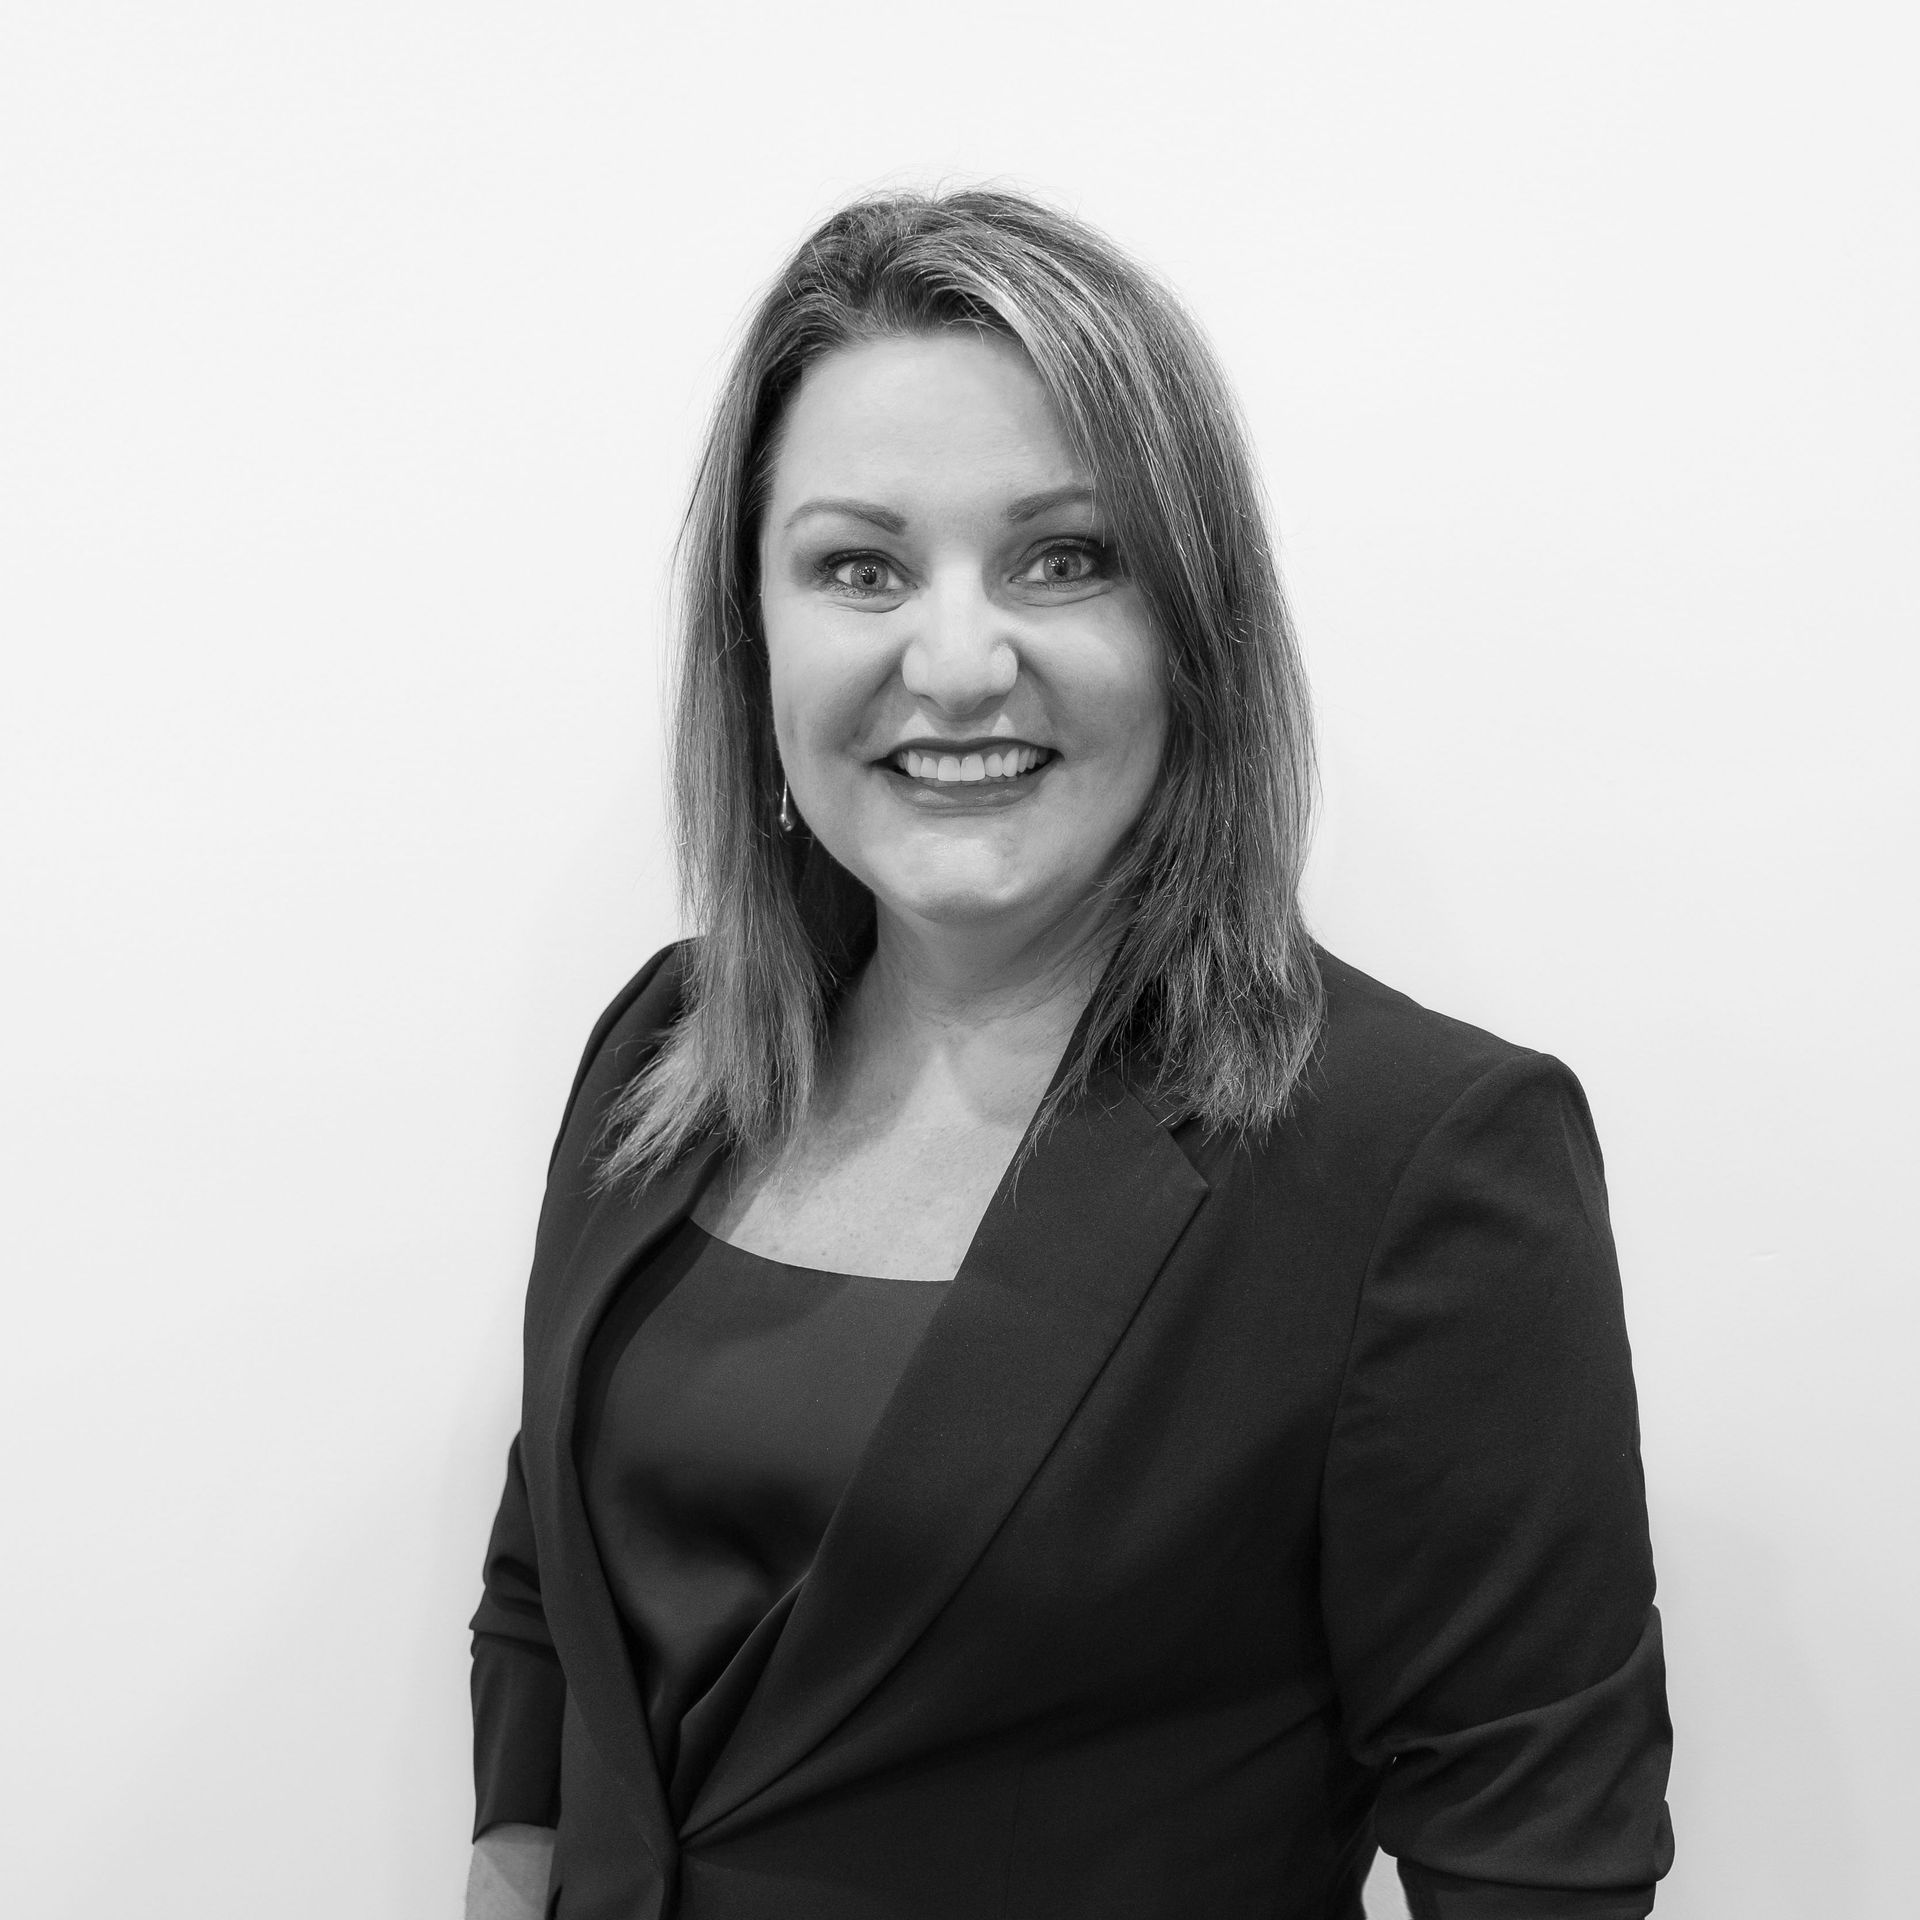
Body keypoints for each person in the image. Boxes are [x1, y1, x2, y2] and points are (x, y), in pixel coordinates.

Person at [464, 189, 1673, 1920]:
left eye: (1065, 557)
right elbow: (549, 1591)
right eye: (858, 566)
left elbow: (1535, 1868)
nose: (956, 663)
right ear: (755, 637)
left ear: (1198, 632)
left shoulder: (1424, 1164)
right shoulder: (663, 1052)